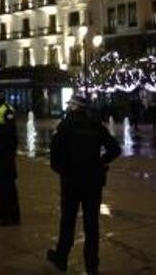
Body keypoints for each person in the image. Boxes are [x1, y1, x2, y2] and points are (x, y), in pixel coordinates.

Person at [46, 96, 121, 274]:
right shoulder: (95, 125)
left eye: (71, 104)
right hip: (92, 181)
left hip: (71, 181)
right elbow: (114, 149)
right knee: (91, 224)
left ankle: (62, 258)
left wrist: (62, 170)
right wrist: (101, 162)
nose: (69, 107)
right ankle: (91, 264)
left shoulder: (66, 124)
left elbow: (55, 153)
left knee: (67, 221)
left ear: (75, 107)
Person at [0, 87, 21, 225]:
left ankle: (12, 216)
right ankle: (3, 212)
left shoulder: (7, 110)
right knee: (0, 185)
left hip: (5, 154)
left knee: (8, 186)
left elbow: (10, 134)